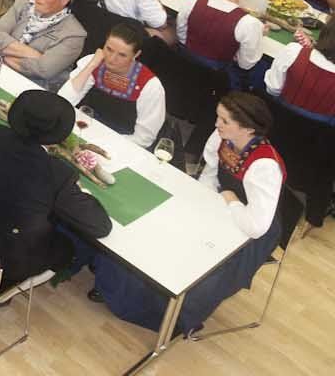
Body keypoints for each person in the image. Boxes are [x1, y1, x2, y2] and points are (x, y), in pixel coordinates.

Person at [91, 93, 285, 336]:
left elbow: (256, 226)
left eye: (225, 121)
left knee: (198, 268)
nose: (217, 124)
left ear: (247, 129)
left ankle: (176, 318)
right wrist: (198, 203)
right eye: (218, 117)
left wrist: (232, 201)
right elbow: (210, 174)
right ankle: (118, 287)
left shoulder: (265, 166)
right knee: (160, 229)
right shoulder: (221, 136)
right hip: (220, 204)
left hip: (251, 229)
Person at [0, 89, 113, 285]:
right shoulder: (58, 173)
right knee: (66, 247)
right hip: (1, 260)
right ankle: (7, 286)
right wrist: (79, 191)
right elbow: (100, 226)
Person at [58, 22, 166, 147]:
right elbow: (63, 101)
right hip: (82, 129)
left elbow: (144, 138)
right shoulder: (93, 61)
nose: (111, 58)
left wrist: (104, 143)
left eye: (122, 55)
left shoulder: (150, 86)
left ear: (136, 55)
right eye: (109, 49)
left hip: (119, 143)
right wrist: (91, 66)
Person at [0, 0, 88, 91]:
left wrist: (5, 54)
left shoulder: (74, 34)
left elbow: (44, 69)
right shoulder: (23, 4)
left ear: (64, 0)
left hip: (31, 87)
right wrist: (36, 55)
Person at [174, 0, 265, 75]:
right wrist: (258, 34)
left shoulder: (193, 1)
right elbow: (245, 64)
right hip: (218, 77)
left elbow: (181, 35)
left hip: (183, 65)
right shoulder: (249, 23)